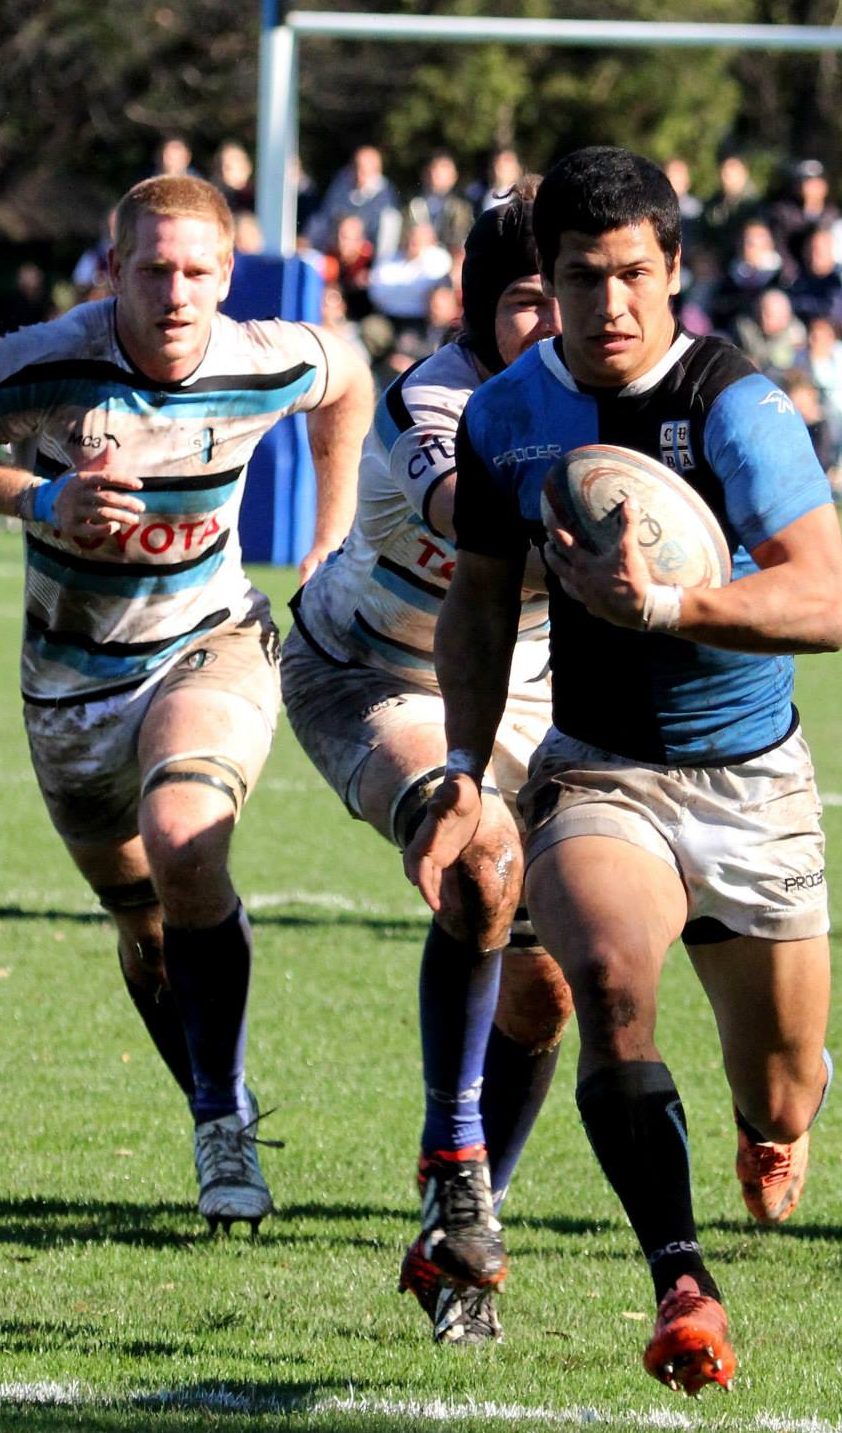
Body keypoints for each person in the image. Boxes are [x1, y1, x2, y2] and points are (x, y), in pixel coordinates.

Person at [408, 145, 842, 1393]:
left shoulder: (735, 406)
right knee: (603, 982)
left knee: (777, 1100)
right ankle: (680, 1283)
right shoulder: (503, 419)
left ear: (674, 271)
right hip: (598, 771)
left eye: (634, 277)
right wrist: (458, 763)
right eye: (579, 279)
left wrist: (665, 605)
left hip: (752, 787)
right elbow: (482, 605)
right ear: (541, 280)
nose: (609, 307)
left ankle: (780, 1112)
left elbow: (824, 600)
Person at [0, 175, 374, 1233]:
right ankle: (219, 1099)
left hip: (211, 644)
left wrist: (327, 538)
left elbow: (349, 376)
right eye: (153, 268)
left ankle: (218, 1131)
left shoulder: (260, 357)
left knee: (185, 838)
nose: (176, 291)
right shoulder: (48, 361)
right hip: (66, 686)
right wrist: (38, 497)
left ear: (228, 277)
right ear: (116, 270)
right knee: (144, 928)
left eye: (198, 271)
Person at [282, 182, 573, 1347]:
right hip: (370, 676)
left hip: (529, 696)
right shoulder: (437, 398)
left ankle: (456, 1226)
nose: (561, 324)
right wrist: (625, 512)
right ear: (476, 307)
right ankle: (455, 1161)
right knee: (479, 870)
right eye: (530, 301)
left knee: (549, 993)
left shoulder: (627, 393)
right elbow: (469, 512)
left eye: (593, 290)